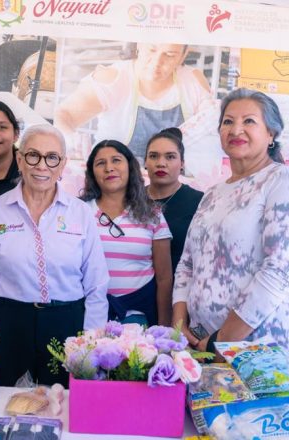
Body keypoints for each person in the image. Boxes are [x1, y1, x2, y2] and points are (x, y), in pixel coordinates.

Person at [172, 88, 289, 356]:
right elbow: (187, 263)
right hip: (203, 343)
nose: (236, 129)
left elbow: (280, 269)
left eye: (249, 121)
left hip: (263, 343)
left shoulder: (284, 179)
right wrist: (180, 322)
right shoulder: (213, 193)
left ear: (271, 133)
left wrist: (224, 339)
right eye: (228, 121)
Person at [0, 125, 109, 386]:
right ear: (20, 160)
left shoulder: (80, 214)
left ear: (62, 164)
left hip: (67, 324)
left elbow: (96, 286)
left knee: (65, 408)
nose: (42, 166)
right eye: (33, 155)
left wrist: (90, 344)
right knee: (7, 403)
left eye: (52, 157)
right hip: (10, 323)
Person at [55, 43, 218, 157]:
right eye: (151, 50)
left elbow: (209, 125)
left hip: (171, 185)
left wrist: (212, 116)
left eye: (169, 55)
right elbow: (64, 114)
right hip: (115, 183)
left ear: (184, 55)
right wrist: (70, 137)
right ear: (139, 44)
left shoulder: (193, 81)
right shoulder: (113, 79)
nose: (156, 62)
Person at [80, 140, 172, 327]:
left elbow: (164, 278)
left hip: (139, 315)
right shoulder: (79, 211)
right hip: (88, 314)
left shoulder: (152, 214)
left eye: (116, 160)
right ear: (92, 172)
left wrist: (163, 326)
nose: (109, 168)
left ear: (130, 167)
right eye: (100, 163)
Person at [143, 127, 204, 274]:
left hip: (183, 291)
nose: (161, 163)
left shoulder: (200, 202)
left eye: (170, 157)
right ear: (145, 162)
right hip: (137, 291)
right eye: (153, 156)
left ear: (182, 163)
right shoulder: (130, 200)